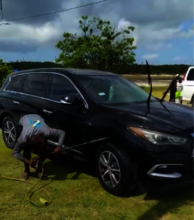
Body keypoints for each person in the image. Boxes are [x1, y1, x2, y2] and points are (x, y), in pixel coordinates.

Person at [12, 114, 65, 180]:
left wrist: (59, 146)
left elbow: (62, 132)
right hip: (25, 118)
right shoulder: (23, 138)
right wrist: (28, 161)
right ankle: (26, 170)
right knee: (26, 150)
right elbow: (15, 153)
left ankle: (39, 170)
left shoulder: (47, 132)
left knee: (43, 150)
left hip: (37, 117)